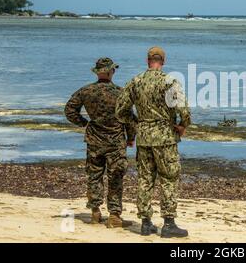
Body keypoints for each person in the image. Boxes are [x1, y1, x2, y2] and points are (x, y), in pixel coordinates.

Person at [116, 46, 191, 238]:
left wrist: (137, 122)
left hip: (144, 137)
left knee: (145, 179)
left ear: (147, 60)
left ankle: (146, 223)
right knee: (168, 179)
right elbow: (184, 110)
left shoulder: (136, 81)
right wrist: (183, 125)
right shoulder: (170, 81)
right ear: (163, 61)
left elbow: (121, 111)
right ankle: (168, 223)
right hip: (165, 137)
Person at [65, 57, 136, 228]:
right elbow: (130, 119)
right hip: (115, 142)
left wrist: (85, 123)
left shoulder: (86, 91)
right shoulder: (121, 93)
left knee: (94, 176)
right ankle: (114, 215)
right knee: (115, 178)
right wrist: (131, 137)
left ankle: (95, 212)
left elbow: (69, 111)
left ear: (98, 72)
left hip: (94, 140)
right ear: (112, 71)